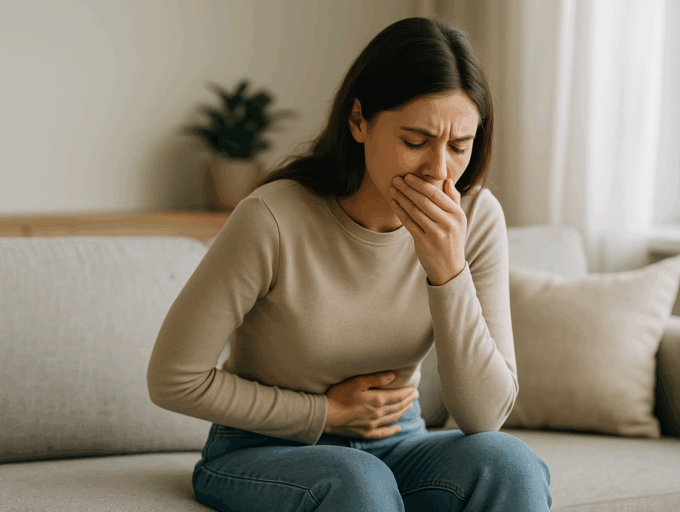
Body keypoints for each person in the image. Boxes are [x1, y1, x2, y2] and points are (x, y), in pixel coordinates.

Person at [146, 15, 553, 512]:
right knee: (359, 480)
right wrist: (324, 413)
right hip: (261, 449)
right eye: (415, 141)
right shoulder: (271, 218)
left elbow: (484, 417)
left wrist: (448, 270)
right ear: (359, 121)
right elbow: (173, 378)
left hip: (397, 444)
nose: (438, 171)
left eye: (458, 147)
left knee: (511, 464)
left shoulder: (476, 217)